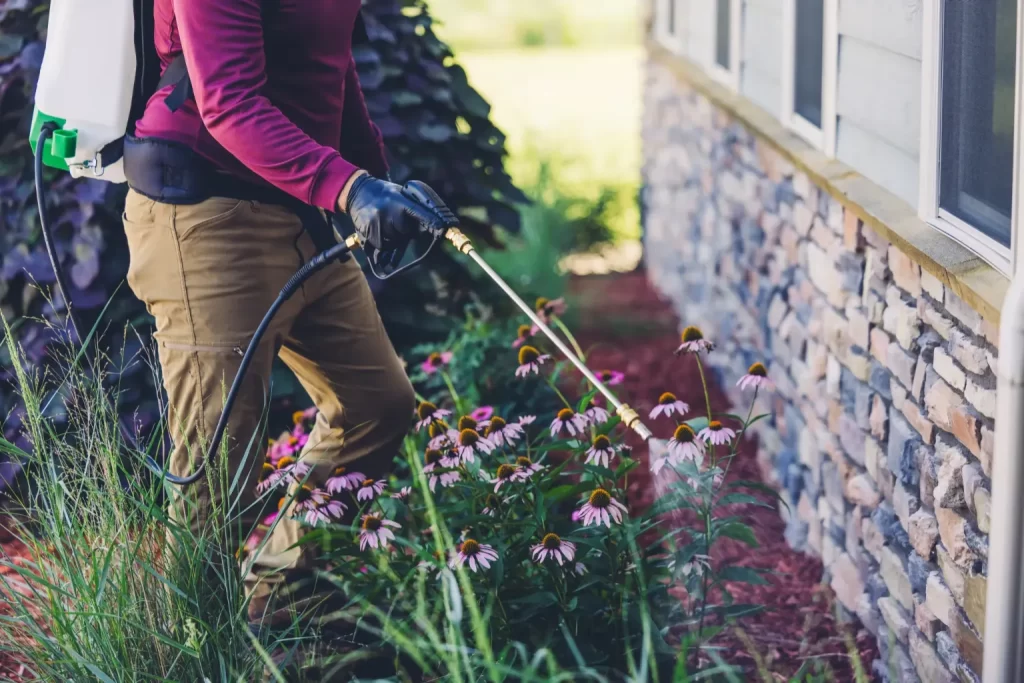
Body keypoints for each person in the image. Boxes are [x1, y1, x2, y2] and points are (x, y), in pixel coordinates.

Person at [120, 0, 442, 632]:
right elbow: (230, 103)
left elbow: (331, 71)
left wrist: (381, 185)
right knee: (220, 468)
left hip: (298, 205)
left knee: (375, 404)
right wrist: (349, 188)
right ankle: (194, 652)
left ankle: (278, 601)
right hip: (206, 214)